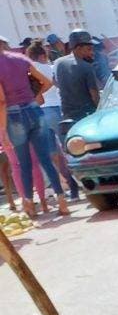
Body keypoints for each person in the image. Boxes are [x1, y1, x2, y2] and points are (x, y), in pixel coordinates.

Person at [0, 36, 69, 216]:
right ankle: (62, 202)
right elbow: (47, 82)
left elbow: (1, 101)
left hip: (13, 116)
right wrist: (33, 97)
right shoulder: (22, 59)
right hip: (34, 110)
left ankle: (30, 205)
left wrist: (2, 130)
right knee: (45, 159)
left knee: (24, 163)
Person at [26, 38, 76, 200]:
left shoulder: (31, 70)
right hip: (60, 108)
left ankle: (64, 187)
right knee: (69, 149)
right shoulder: (53, 67)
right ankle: (76, 186)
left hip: (44, 111)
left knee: (53, 153)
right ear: (42, 55)